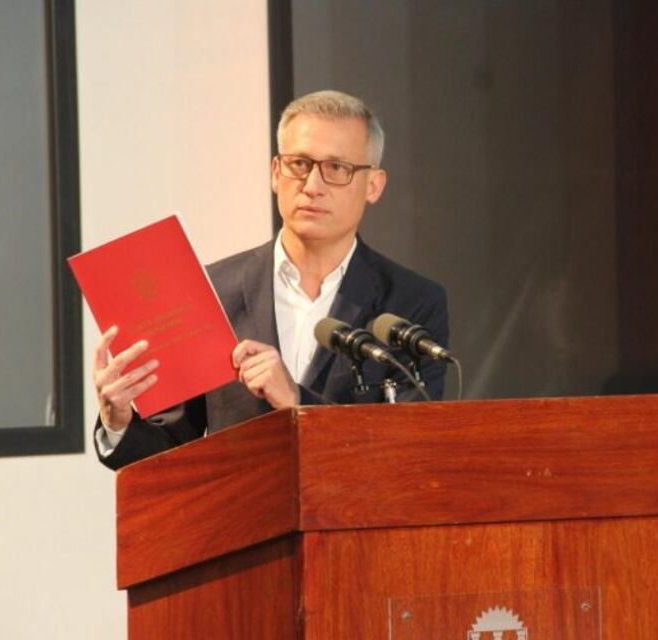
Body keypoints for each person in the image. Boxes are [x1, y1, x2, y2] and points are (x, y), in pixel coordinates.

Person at [93, 90, 449, 470]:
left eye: (337, 168)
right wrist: (119, 422)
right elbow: (170, 451)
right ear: (276, 173)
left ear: (374, 186)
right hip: (239, 521)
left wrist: (296, 400)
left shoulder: (411, 302)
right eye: (299, 164)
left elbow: (411, 450)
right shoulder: (212, 290)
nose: (312, 185)